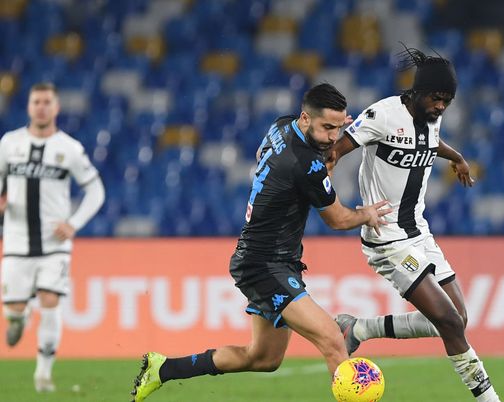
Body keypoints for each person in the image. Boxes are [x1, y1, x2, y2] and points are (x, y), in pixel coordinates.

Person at [131, 83, 392, 401]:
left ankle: (163, 369)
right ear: (306, 118)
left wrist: (322, 153)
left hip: (269, 260)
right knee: (333, 340)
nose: (333, 137)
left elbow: (261, 154)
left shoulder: (282, 126)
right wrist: (366, 214)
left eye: (338, 128)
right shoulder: (304, 164)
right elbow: (338, 220)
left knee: (263, 358)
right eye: (327, 127)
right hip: (265, 265)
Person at [328, 47, 502, 402]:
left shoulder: (430, 117)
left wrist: (457, 157)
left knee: (458, 319)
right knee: (449, 322)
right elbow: (333, 154)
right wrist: (330, 202)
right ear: (418, 91)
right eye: (436, 98)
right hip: (387, 238)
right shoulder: (382, 114)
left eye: (447, 101)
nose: (441, 106)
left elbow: (428, 142)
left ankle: (358, 328)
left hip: (419, 233)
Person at [0, 82, 106, 392]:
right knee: (13, 310)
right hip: (16, 241)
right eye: (36, 102)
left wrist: (74, 223)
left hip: (54, 244)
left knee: (50, 300)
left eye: (47, 102)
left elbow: (96, 190)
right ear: (28, 106)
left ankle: (43, 375)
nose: (41, 107)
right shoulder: (9, 143)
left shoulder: (69, 148)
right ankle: (19, 318)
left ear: (56, 107)